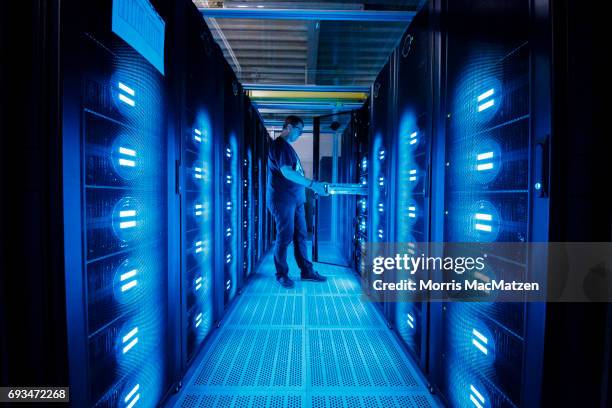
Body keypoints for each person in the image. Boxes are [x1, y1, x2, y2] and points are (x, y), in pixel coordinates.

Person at [267, 115, 328, 288]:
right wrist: (313, 185)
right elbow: (287, 172)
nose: (300, 134)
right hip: (282, 200)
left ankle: (307, 271)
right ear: (289, 126)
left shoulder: (288, 149)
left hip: (295, 200)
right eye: (299, 130)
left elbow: (294, 174)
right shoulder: (279, 145)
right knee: (285, 236)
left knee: (301, 236)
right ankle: (281, 274)